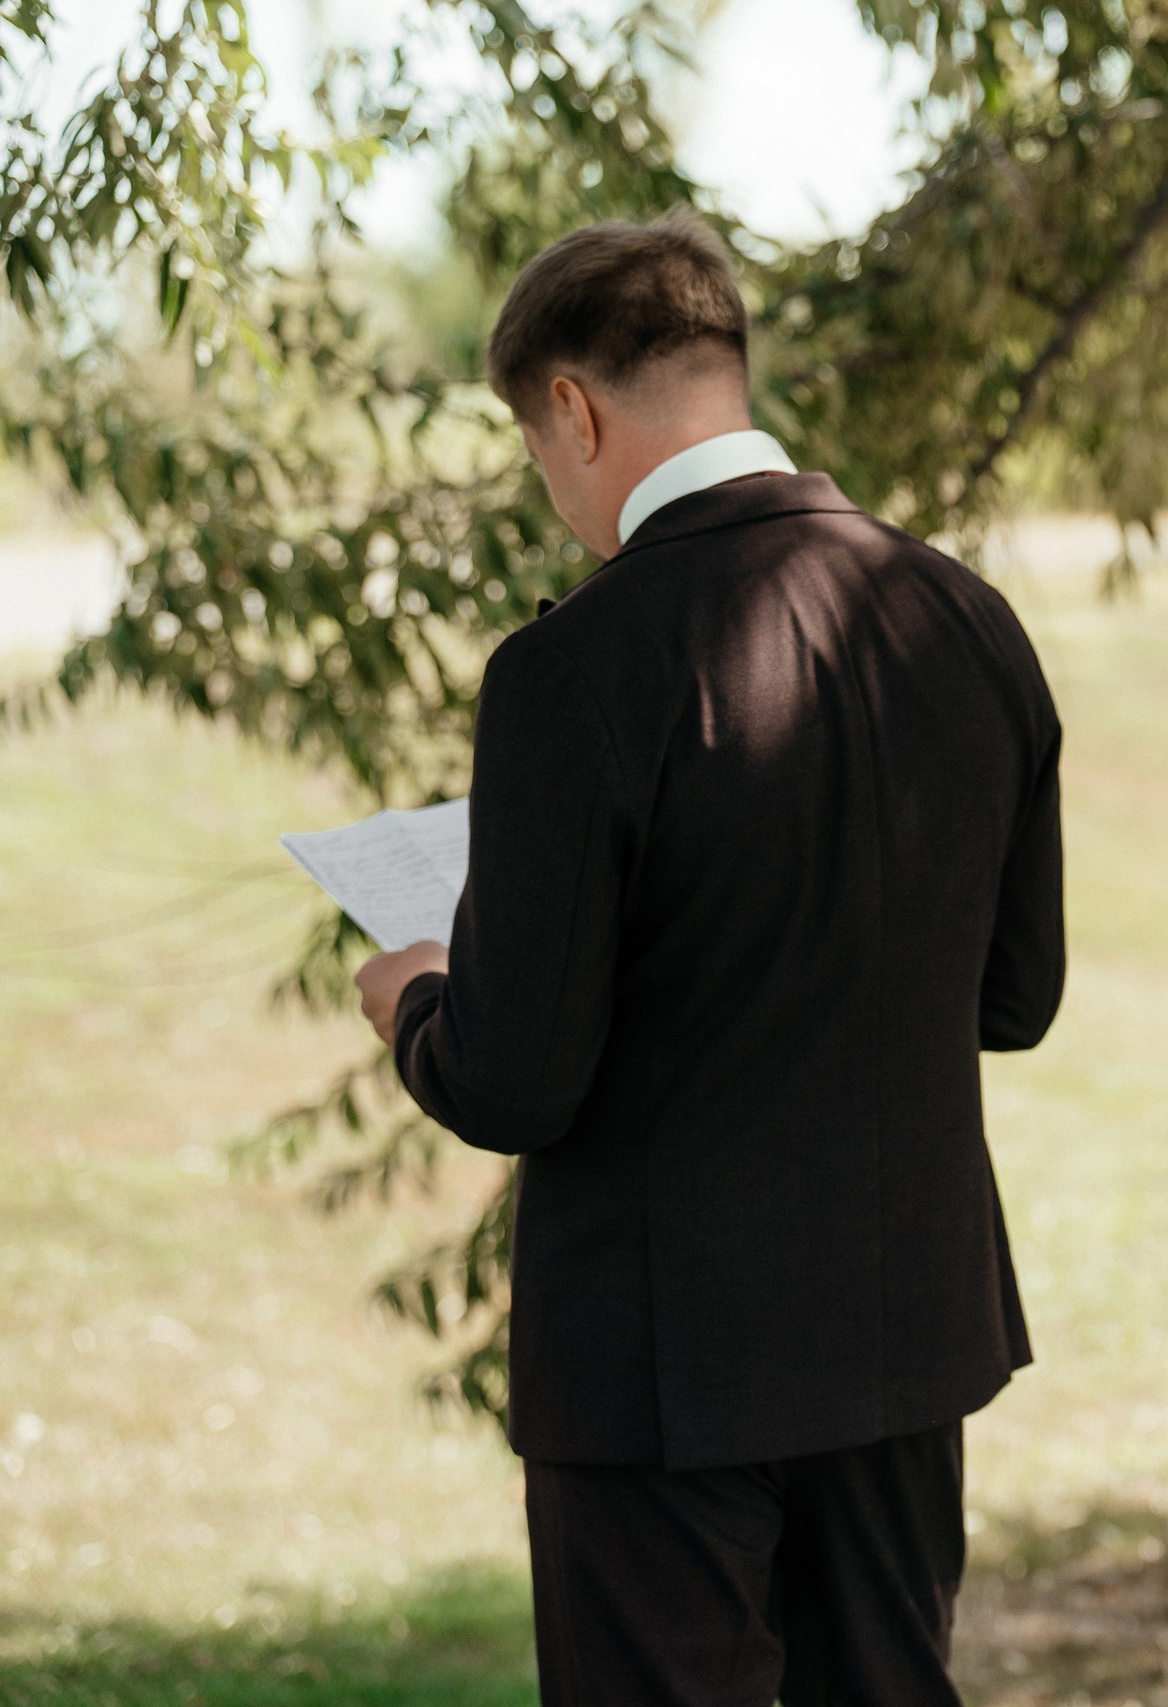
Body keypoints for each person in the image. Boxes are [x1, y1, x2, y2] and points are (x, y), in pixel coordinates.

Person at [349, 211, 1066, 1707]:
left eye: (537, 449)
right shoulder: (966, 621)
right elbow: (1017, 996)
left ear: (573, 408)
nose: (554, 491)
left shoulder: (574, 672)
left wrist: (417, 997)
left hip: (659, 1366)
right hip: (899, 1336)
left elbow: (518, 1078)